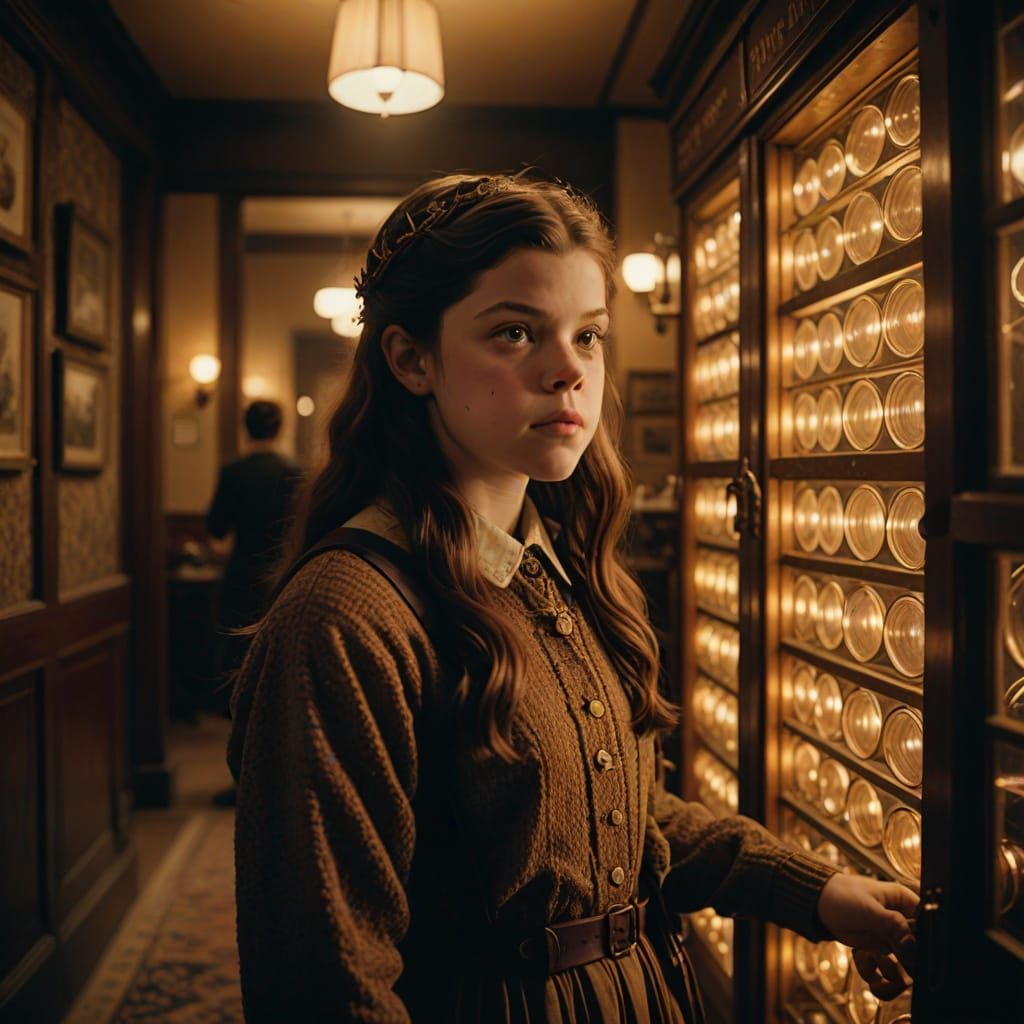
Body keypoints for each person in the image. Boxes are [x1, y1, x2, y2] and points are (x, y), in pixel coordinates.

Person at [226, 172, 916, 1022]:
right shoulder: (346, 615)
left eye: (587, 336)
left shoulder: (562, 570)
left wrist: (820, 892)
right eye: (515, 332)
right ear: (412, 359)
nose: (567, 372)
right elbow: (326, 976)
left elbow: (615, 823)